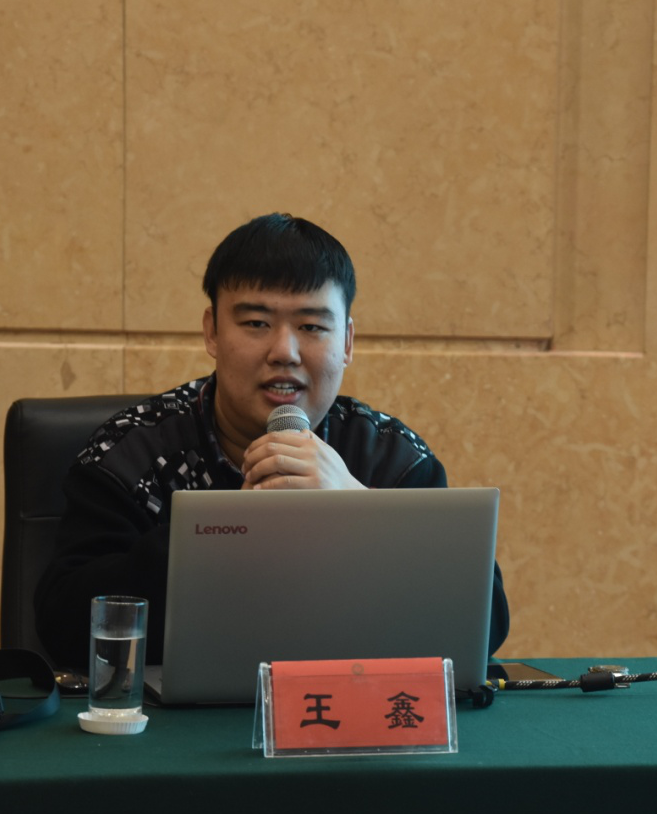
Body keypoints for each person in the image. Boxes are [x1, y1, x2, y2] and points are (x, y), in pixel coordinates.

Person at [34, 213, 509, 669]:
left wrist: (359, 510)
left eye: (312, 327)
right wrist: (222, 532)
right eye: (256, 323)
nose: (284, 351)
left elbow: (483, 623)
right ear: (212, 332)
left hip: (346, 714)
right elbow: (64, 626)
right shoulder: (130, 453)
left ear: (347, 342)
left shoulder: (389, 457)